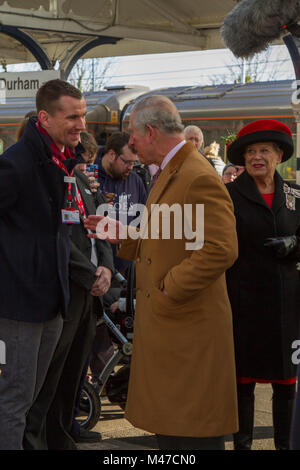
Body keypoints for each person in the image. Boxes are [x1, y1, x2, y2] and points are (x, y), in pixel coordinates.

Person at [84, 95, 239, 450]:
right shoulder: (176, 170)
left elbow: (221, 247)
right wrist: (126, 235)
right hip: (176, 331)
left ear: (150, 132)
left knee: (191, 436)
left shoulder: (195, 174)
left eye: (133, 135)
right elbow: (176, 231)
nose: (131, 144)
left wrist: (169, 288)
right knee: (176, 432)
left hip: (187, 331)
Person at [0, 79, 86, 450]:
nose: (81, 124)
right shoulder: (15, 164)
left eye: (83, 115)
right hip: (20, 304)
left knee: (31, 399)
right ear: (45, 118)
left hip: (53, 301)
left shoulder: (63, 160)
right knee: (15, 401)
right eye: (72, 117)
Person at [23, 158, 114, 450]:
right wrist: (90, 274)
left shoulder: (83, 181)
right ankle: (36, 437)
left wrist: (107, 269)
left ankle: (63, 431)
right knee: (51, 372)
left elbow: (101, 227)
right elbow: (57, 239)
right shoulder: (44, 181)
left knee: (74, 369)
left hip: (90, 292)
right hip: (65, 289)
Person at [225, 119, 300, 450]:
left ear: (279, 154)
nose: (257, 157)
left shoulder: (295, 195)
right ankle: (242, 445)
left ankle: (284, 446)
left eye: (264, 150)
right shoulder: (227, 195)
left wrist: (294, 244)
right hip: (242, 301)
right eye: (250, 151)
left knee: (286, 383)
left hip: (286, 304)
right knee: (243, 382)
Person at [95, 131, 148, 277]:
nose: (130, 167)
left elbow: (145, 219)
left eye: (134, 162)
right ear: (112, 154)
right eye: (126, 162)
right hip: (97, 266)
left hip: (127, 267)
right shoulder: (89, 176)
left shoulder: (135, 180)